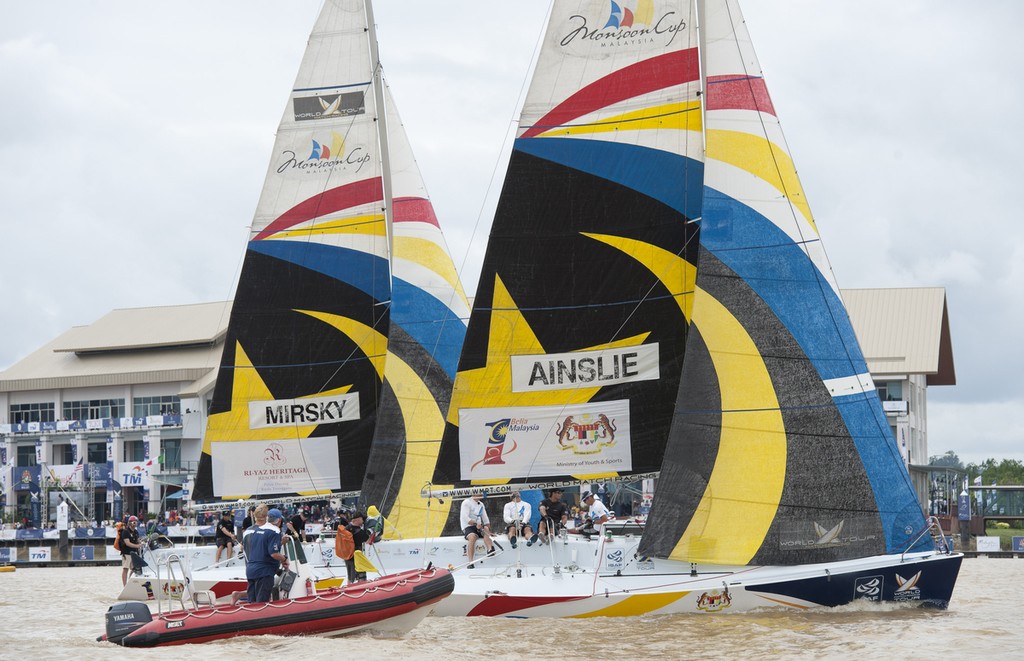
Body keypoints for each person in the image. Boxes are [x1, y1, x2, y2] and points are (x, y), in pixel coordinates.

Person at [245, 508, 289, 604]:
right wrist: (284, 559)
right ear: (279, 520)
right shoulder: (275, 531)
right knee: (262, 603)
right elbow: (273, 553)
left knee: (252, 603)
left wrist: (280, 543)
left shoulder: (257, 530)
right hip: (264, 572)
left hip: (251, 569)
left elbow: (263, 548)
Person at [460, 489, 494, 567]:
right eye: (479, 493)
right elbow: (465, 517)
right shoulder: (466, 502)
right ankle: (471, 562)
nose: (481, 494)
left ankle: (490, 550)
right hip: (468, 526)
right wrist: (475, 524)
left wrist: (488, 529)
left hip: (478, 526)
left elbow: (485, 518)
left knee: (486, 529)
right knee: (472, 537)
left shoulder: (481, 504)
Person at [342, 512, 371, 583]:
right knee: (360, 574)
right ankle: (357, 589)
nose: (363, 521)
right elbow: (368, 540)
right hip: (356, 556)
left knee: (350, 576)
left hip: (347, 554)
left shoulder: (346, 528)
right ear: (357, 520)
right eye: (362, 520)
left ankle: (349, 588)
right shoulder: (358, 531)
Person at [119, 515, 143, 586]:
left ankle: (130, 582)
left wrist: (141, 543)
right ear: (129, 523)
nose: (135, 524)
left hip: (134, 553)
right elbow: (127, 543)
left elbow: (138, 540)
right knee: (125, 569)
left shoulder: (136, 532)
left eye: (136, 522)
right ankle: (125, 585)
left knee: (134, 569)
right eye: (133, 522)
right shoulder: (125, 532)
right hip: (126, 553)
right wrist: (137, 546)